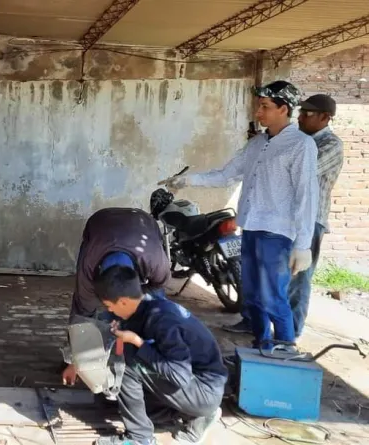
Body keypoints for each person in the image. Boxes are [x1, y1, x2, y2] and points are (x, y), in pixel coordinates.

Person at [160, 80, 319, 350]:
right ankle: (262, 343)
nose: (258, 112)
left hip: (277, 232)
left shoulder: (301, 145)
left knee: (272, 296)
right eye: (259, 106)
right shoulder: (258, 143)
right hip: (252, 228)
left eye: (265, 106)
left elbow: (307, 195)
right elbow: (226, 175)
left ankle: (285, 347)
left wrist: (303, 244)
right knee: (253, 294)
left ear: (284, 109)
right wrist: (187, 179)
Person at [222, 94, 343, 339]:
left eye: (308, 114)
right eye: (301, 112)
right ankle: (254, 324)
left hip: (310, 220)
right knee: (261, 280)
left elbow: (301, 176)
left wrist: (273, 150)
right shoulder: (290, 140)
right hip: (279, 221)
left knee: (296, 278)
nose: (301, 118)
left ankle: (290, 334)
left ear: (325, 117)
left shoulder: (328, 144)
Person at [63, 266, 227, 445]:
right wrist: (76, 364)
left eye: (110, 306)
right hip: (196, 386)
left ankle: (140, 438)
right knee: (123, 403)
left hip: (203, 391)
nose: (110, 311)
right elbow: (108, 329)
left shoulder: (162, 321)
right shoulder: (143, 305)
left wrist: (138, 342)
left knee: (125, 363)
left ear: (123, 302)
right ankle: (195, 416)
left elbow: (179, 375)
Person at [68, 207, 171, 324]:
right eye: (108, 306)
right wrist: (83, 329)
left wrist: (138, 297)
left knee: (155, 303)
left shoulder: (155, 262)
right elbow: (84, 309)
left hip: (143, 220)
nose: (111, 310)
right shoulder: (88, 267)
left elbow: (159, 285)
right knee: (83, 310)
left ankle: (155, 324)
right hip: (100, 219)